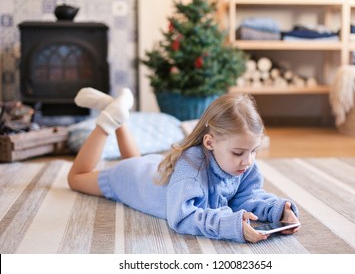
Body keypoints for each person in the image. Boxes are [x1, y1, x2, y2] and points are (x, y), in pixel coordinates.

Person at [68, 87, 300, 243]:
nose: (248, 161)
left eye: (254, 151)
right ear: (209, 142)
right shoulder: (192, 169)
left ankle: (117, 112)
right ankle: (108, 122)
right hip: (133, 179)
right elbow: (181, 218)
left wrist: (279, 210)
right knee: (77, 177)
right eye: (239, 152)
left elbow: (245, 197)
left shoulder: (244, 164)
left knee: (134, 160)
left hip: (151, 170)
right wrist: (231, 226)